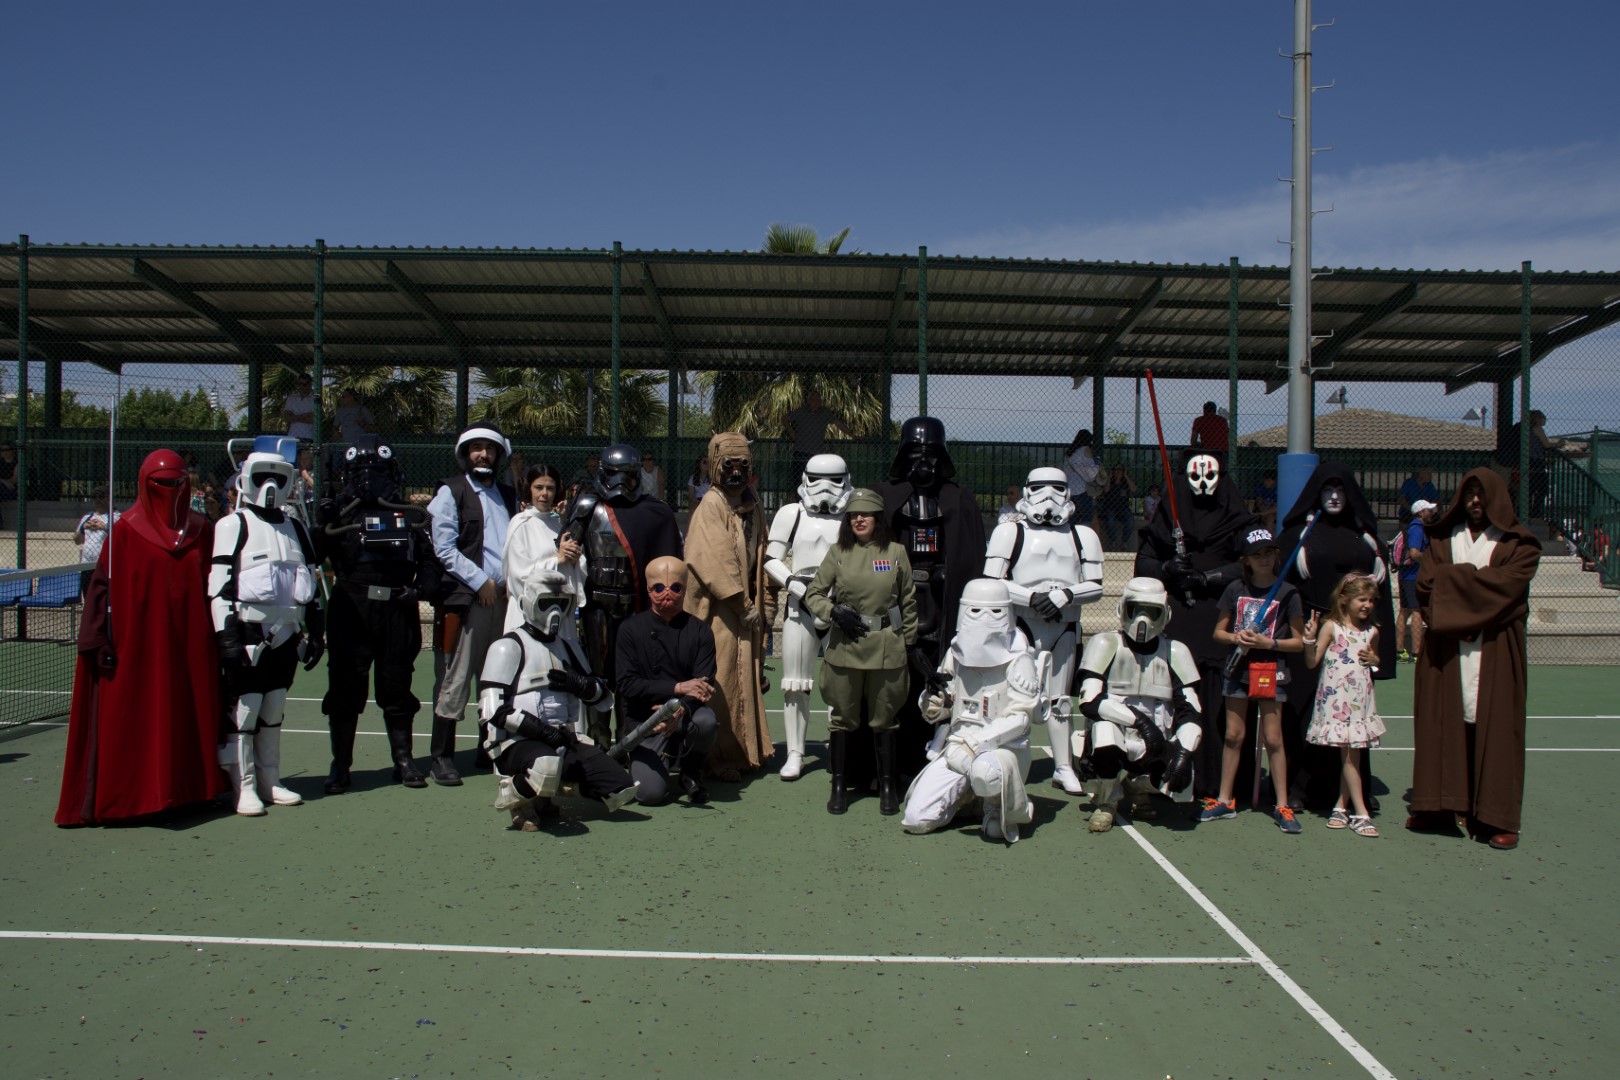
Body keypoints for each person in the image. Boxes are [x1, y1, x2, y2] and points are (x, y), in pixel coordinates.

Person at [56, 450, 224, 826]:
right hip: (137, 648)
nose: (171, 490)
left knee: (190, 715)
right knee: (137, 719)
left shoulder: (202, 531)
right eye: (162, 483)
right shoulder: (126, 532)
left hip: (192, 647)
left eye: (178, 482)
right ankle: (132, 798)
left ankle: (191, 791)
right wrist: (97, 640)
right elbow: (101, 590)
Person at [1409, 469, 1540, 850]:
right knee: (1440, 722)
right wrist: (1476, 582)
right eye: (1469, 494)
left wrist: (1454, 582)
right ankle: (1438, 806)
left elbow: (1507, 589)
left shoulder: (1519, 544)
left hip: (1496, 648)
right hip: (1446, 651)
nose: (1476, 501)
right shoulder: (1442, 539)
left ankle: (1495, 816)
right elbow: (1426, 587)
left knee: (1498, 729)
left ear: (1497, 497)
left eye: (1482, 494)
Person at [318, 435, 440, 793]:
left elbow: (430, 562)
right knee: (344, 687)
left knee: (397, 684)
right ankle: (341, 764)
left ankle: (403, 761)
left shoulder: (410, 516)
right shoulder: (340, 515)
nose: (370, 478)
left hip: (397, 608)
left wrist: (420, 590)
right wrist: (321, 523)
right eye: (360, 471)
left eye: (379, 470)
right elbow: (314, 556)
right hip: (351, 609)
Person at [1135, 451, 1259, 804]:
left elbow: (1252, 564)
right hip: (1179, 621)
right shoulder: (1167, 517)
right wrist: (1167, 569)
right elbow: (1144, 563)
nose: (1203, 485)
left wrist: (1207, 578)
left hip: (1222, 621)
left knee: (1220, 704)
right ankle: (1168, 777)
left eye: (1211, 476)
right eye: (1194, 477)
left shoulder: (1236, 519)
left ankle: (1220, 782)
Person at [209, 446, 325, 815]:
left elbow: (312, 582)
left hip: (288, 632)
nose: (270, 486)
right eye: (263, 477)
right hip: (248, 631)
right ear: (245, 480)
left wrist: (317, 631)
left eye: (278, 477)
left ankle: (270, 779)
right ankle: (243, 786)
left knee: (274, 707)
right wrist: (226, 636)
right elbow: (219, 587)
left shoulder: (296, 527)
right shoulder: (232, 525)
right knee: (245, 710)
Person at [479, 571, 640, 830]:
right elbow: (493, 711)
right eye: (546, 602)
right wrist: (542, 732)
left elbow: (602, 698)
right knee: (545, 765)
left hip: (564, 738)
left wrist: (578, 684)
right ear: (527, 604)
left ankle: (546, 790)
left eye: (561, 603)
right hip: (517, 741)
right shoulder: (507, 646)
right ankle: (518, 798)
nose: (554, 611)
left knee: (620, 788)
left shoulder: (569, 647)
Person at [1277, 461, 1396, 812]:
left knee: (1352, 716)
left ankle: (1353, 790)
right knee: (1303, 712)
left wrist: (1381, 653)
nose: (1333, 497)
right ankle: (1299, 788)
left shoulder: (1367, 540)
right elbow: (1284, 590)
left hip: (1353, 642)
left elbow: (1379, 601)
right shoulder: (1297, 537)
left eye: (1340, 490)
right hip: (1311, 630)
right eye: (1327, 490)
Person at [874, 417, 986, 782]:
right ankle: (891, 763)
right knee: (896, 676)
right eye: (915, 453)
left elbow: (969, 552)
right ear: (903, 455)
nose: (924, 462)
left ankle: (937, 757)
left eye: (931, 454)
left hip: (942, 598)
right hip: (898, 600)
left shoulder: (958, 499)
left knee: (938, 675)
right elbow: (873, 555)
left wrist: (948, 572)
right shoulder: (885, 497)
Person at [983, 466, 1104, 796]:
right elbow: (991, 581)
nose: (1048, 496)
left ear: (1068, 493)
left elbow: (1095, 585)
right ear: (1027, 491)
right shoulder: (1010, 532)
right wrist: (1032, 598)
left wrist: (1065, 596)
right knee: (1015, 698)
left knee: (1060, 701)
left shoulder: (1082, 536)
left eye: (1056, 488)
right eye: (1040, 488)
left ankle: (1063, 767)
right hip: (1022, 623)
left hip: (1064, 625)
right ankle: (1010, 761)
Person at [803, 487, 919, 815]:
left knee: (885, 719)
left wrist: (909, 642)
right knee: (842, 718)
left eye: (865, 514)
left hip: (886, 645)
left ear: (878, 519)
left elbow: (908, 600)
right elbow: (813, 592)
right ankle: (839, 786)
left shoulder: (895, 552)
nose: (859, 520)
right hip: (847, 645)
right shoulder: (838, 552)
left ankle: (887, 787)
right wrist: (832, 611)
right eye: (853, 515)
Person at [901, 578, 1040, 843]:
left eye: (993, 611)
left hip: (1001, 751)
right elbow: (948, 699)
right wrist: (932, 704)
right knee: (916, 819)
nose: (983, 618)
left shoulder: (1019, 658)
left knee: (986, 779)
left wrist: (976, 744)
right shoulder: (956, 652)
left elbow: (1020, 719)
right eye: (975, 611)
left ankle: (1000, 805)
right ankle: (969, 797)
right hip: (956, 748)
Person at [563, 444, 683, 746]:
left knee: (630, 676)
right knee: (599, 676)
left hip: (634, 604)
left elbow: (668, 560)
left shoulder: (653, 510)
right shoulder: (587, 506)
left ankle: (627, 742)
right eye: (615, 474)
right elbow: (565, 549)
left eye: (627, 475)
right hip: (597, 605)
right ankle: (599, 743)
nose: (621, 482)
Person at [425, 423, 518, 786]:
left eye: (490, 449)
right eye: (476, 448)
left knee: (497, 677)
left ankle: (488, 747)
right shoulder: (451, 491)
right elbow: (444, 548)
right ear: (465, 454)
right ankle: (441, 756)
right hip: (469, 600)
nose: (483, 454)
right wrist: (482, 582)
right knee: (456, 677)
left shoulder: (507, 495)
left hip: (505, 600)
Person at [1076, 577, 1203, 832]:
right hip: (1118, 732)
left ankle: (1138, 787)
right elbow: (1089, 701)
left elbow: (1191, 712)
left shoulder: (1175, 652)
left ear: (1165, 614)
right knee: (1104, 733)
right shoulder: (1106, 643)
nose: (1142, 619)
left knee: (1183, 778)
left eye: (1151, 611)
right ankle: (1107, 801)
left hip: (1156, 740)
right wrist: (1140, 721)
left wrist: (1183, 753)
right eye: (1135, 610)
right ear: (1122, 609)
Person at [1203, 529, 1307, 833]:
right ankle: (1225, 800)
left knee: (1273, 738)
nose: (1264, 559)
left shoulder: (1288, 592)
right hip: (1238, 670)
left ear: (1277, 555)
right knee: (1234, 735)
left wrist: (1269, 643)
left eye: (1268, 553)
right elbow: (1218, 633)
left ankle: (1282, 804)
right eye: (1257, 554)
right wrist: (1237, 638)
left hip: (1271, 670)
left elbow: (1299, 642)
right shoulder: (1235, 589)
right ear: (1245, 560)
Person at [683, 432, 773, 780]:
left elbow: (761, 553)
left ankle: (746, 751)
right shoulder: (712, 504)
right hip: (721, 610)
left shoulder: (753, 502)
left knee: (745, 679)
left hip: (746, 609)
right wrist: (741, 603)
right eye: (729, 464)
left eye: (743, 465)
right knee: (722, 680)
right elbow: (713, 560)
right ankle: (717, 758)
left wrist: (764, 601)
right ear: (714, 465)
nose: (736, 471)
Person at [763, 454, 852, 780]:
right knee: (795, 684)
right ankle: (796, 752)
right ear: (805, 479)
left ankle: (838, 748)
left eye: (834, 480)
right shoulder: (792, 514)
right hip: (799, 605)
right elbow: (771, 559)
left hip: (840, 607)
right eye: (817, 479)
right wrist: (793, 584)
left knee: (842, 684)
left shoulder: (854, 514)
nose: (825, 488)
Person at [614, 556, 721, 805]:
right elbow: (627, 684)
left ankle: (691, 772)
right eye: (659, 588)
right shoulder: (629, 630)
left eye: (675, 587)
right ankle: (643, 759)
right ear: (648, 590)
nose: (667, 593)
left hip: (685, 714)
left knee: (706, 721)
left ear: (685, 589)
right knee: (650, 795)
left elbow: (704, 685)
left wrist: (680, 708)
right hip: (646, 720)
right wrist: (678, 688)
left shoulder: (700, 631)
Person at [1301, 574, 1386, 837]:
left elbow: (1374, 661)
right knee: (1350, 757)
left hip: (1360, 703)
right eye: (1362, 599)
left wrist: (1375, 660)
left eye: (1371, 600)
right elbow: (1312, 662)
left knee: (1351, 756)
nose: (1367, 605)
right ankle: (1361, 812)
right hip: (1336, 701)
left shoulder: (1372, 631)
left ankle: (1341, 807)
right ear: (1344, 599)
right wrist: (1309, 640)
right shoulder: (1332, 627)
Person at [503, 463, 585, 635]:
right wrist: (558, 560)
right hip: (529, 616)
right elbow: (519, 576)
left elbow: (574, 571)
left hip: (560, 614)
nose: (544, 494)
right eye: (539, 487)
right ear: (529, 489)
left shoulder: (558, 525)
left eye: (550, 488)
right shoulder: (520, 524)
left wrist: (575, 559)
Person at [1394, 499, 1439, 663]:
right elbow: (1414, 553)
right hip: (1413, 577)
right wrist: (1430, 559)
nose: (1431, 513)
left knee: (1404, 610)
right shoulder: (1417, 529)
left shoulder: (1413, 527)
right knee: (1416, 611)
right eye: (1428, 510)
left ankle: (1400, 651)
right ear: (1421, 513)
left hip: (1405, 576)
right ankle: (1416, 653)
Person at [784, 386, 836, 479]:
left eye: (818, 400)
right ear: (808, 401)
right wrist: (791, 432)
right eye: (813, 399)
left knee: (815, 479)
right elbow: (784, 419)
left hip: (816, 454)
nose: (815, 402)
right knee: (798, 479)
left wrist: (853, 435)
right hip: (801, 452)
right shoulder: (801, 411)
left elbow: (839, 423)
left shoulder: (825, 413)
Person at [74, 487, 120, 590]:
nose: (98, 500)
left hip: (105, 566)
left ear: (108, 498)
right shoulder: (87, 517)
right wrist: (83, 527)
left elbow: (121, 537)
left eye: (101, 497)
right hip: (86, 566)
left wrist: (104, 527)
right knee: (88, 596)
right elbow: (77, 541)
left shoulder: (116, 517)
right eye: (95, 497)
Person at [1061, 428, 1102, 529]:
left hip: (1069, 490)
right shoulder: (1085, 449)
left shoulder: (1069, 453)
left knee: (1073, 518)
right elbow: (1092, 472)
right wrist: (1098, 464)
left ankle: (1071, 535)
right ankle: (1084, 536)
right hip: (1081, 489)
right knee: (1087, 517)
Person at [1097, 465, 1138, 549]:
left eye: (1120, 470)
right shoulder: (1110, 481)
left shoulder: (1125, 482)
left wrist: (1126, 476)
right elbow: (1106, 490)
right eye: (1116, 470)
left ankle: (1124, 542)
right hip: (1110, 508)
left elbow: (1134, 489)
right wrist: (1109, 477)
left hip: (1123, 508)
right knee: (1110, 520)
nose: (1118, 472)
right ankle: (1113, 541)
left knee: (1130, 520)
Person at [282, 375, 315, 441]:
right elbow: (286, 417)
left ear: (310, 385)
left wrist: (294, 417)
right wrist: (304, 416)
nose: (302, 387)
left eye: (305, 384)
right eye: (299, 384)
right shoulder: (292, 398)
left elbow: (313, 419)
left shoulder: (314, 399)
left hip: (309, 437)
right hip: (292, 436)